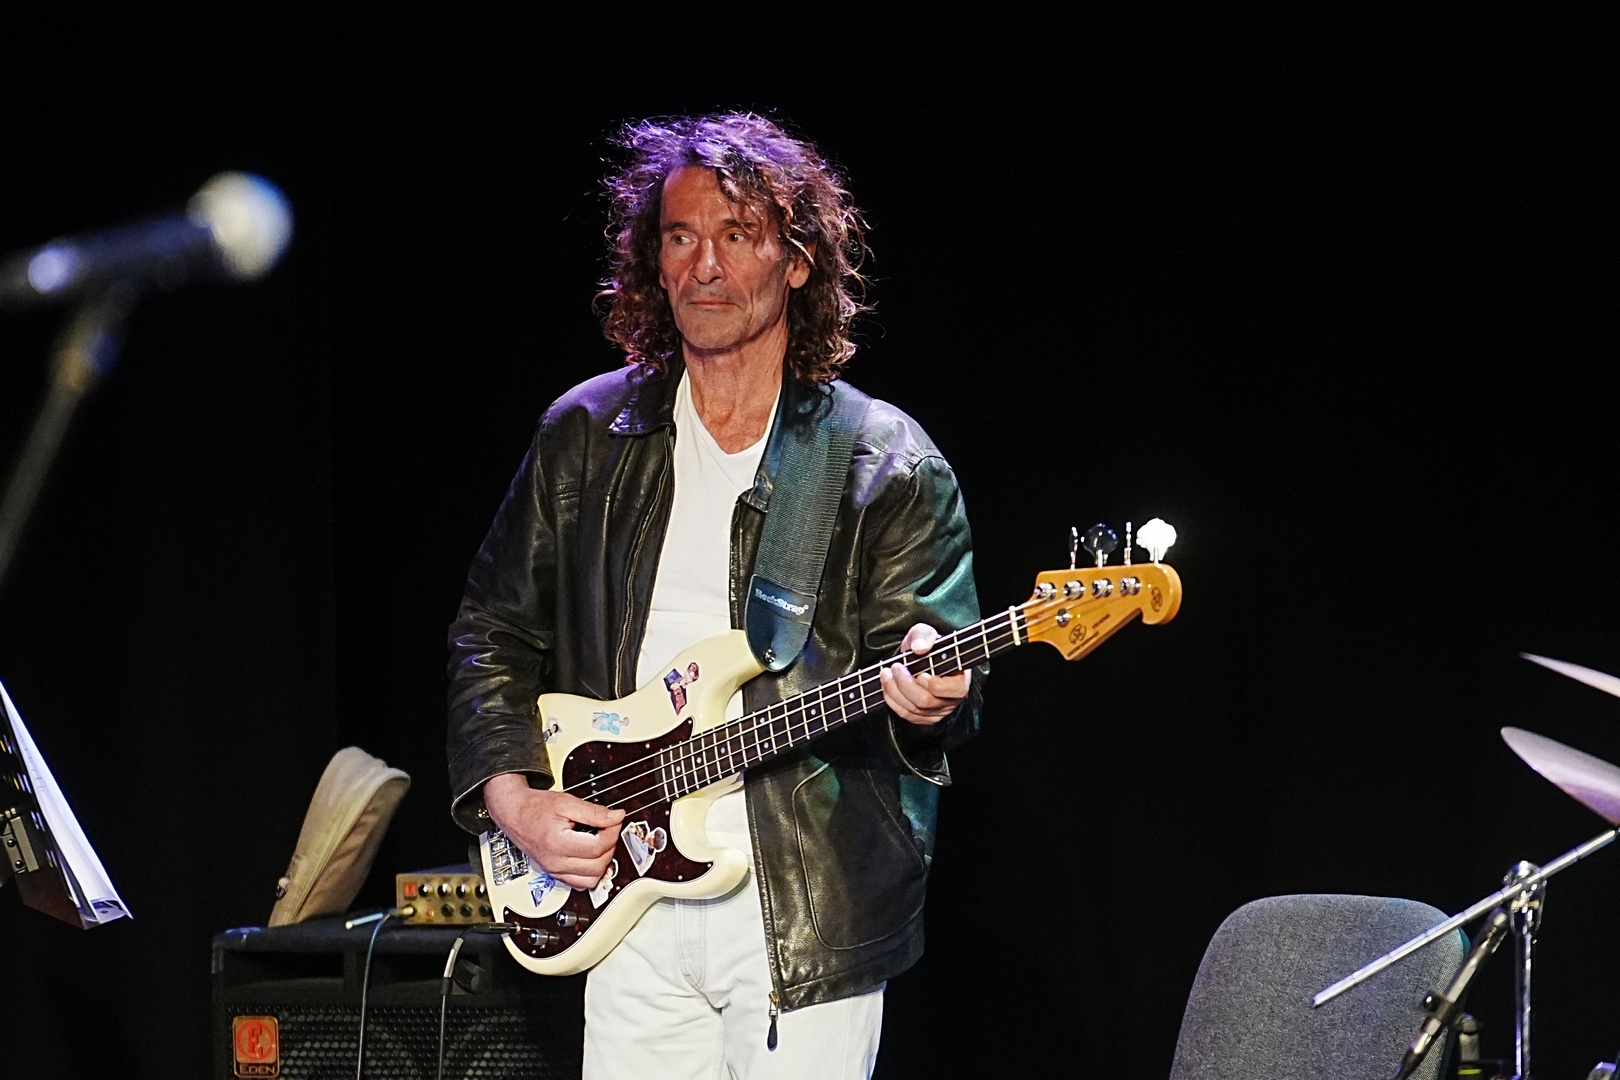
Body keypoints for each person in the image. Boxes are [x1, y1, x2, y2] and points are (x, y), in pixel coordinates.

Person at [447, 112, 983, 1079]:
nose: (705, 265)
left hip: (803, 905)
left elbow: (941, 678)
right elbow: (491, 628)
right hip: (624, 893)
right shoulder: (585, 434)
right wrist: (512, 798)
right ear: (652, 262)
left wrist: (932, 695)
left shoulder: (884, 461)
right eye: (681, 236)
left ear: (798, 262)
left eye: (738, 235)